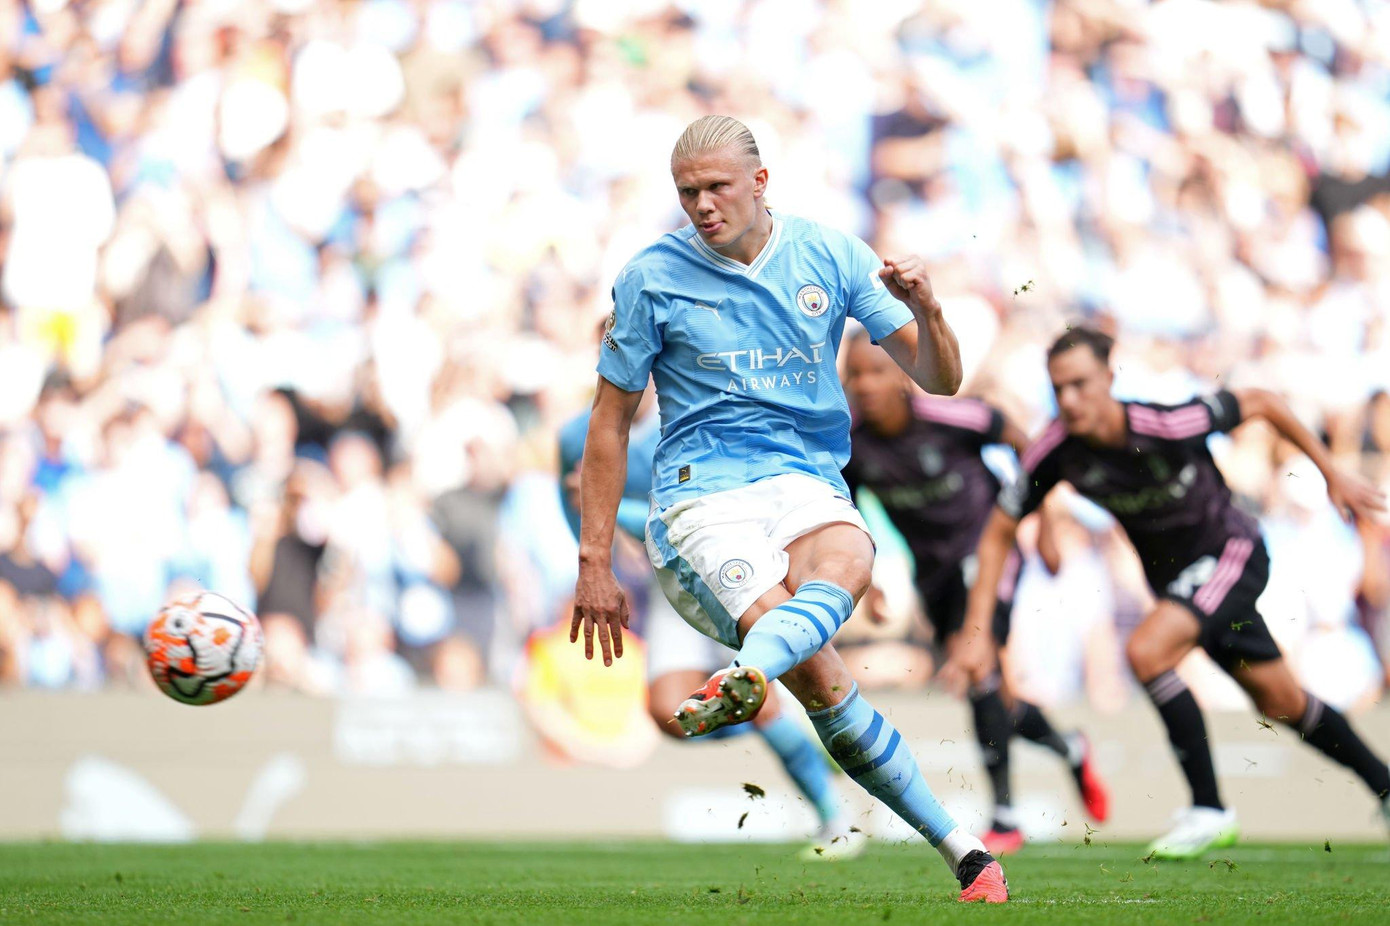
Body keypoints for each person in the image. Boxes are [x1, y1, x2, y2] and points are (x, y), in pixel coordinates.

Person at [572, 115, 1007, 902]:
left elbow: (940, 381)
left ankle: (753, 675)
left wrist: (929, 309)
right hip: (702, 497)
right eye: (687, 193)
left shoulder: (830, 254)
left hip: (804, 481)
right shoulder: (651, 277)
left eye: (716, 187)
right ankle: (958, 844)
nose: (702, 205)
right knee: (820, 674)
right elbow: (608, 425)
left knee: (853, 560)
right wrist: (593, 562)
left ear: (760, 182)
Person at [951, 325, 1390, 860]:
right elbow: (998, 532)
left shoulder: (1166, 423)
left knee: (1147, 650)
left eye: (1081, 384)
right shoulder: (1057, 451)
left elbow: (1261, 401)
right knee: (1283, 701)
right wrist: (977, 632)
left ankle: (1209, 809)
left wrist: (1332, 471)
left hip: (1231, 553)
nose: (1069, 399)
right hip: (1182, 587)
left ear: (1109, 376)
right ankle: (1385, 785)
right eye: (1059, 388)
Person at [557, 372, 862, 859]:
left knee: (761, 700)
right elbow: (577, 510)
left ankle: (835, 823)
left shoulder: (689, 415)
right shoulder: (578, 436)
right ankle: (783, 725)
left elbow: (693, 509)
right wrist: (598, 558)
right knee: (670, 714)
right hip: (668, 581)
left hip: (729, 571)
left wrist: (618, 515)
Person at [840, 330, 1109, 854]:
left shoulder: (951, 418)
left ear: (903, 377)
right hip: (934, 575)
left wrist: (1046, 522)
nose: (866, 385)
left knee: (979, 665)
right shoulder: (854, 443)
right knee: (990, 695)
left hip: (989, 556)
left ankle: (1005, 816)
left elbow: (1022, 440)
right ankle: (1069, 747)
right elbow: (848, 510)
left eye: (876, 372)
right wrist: (866, 582)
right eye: (855, 375)